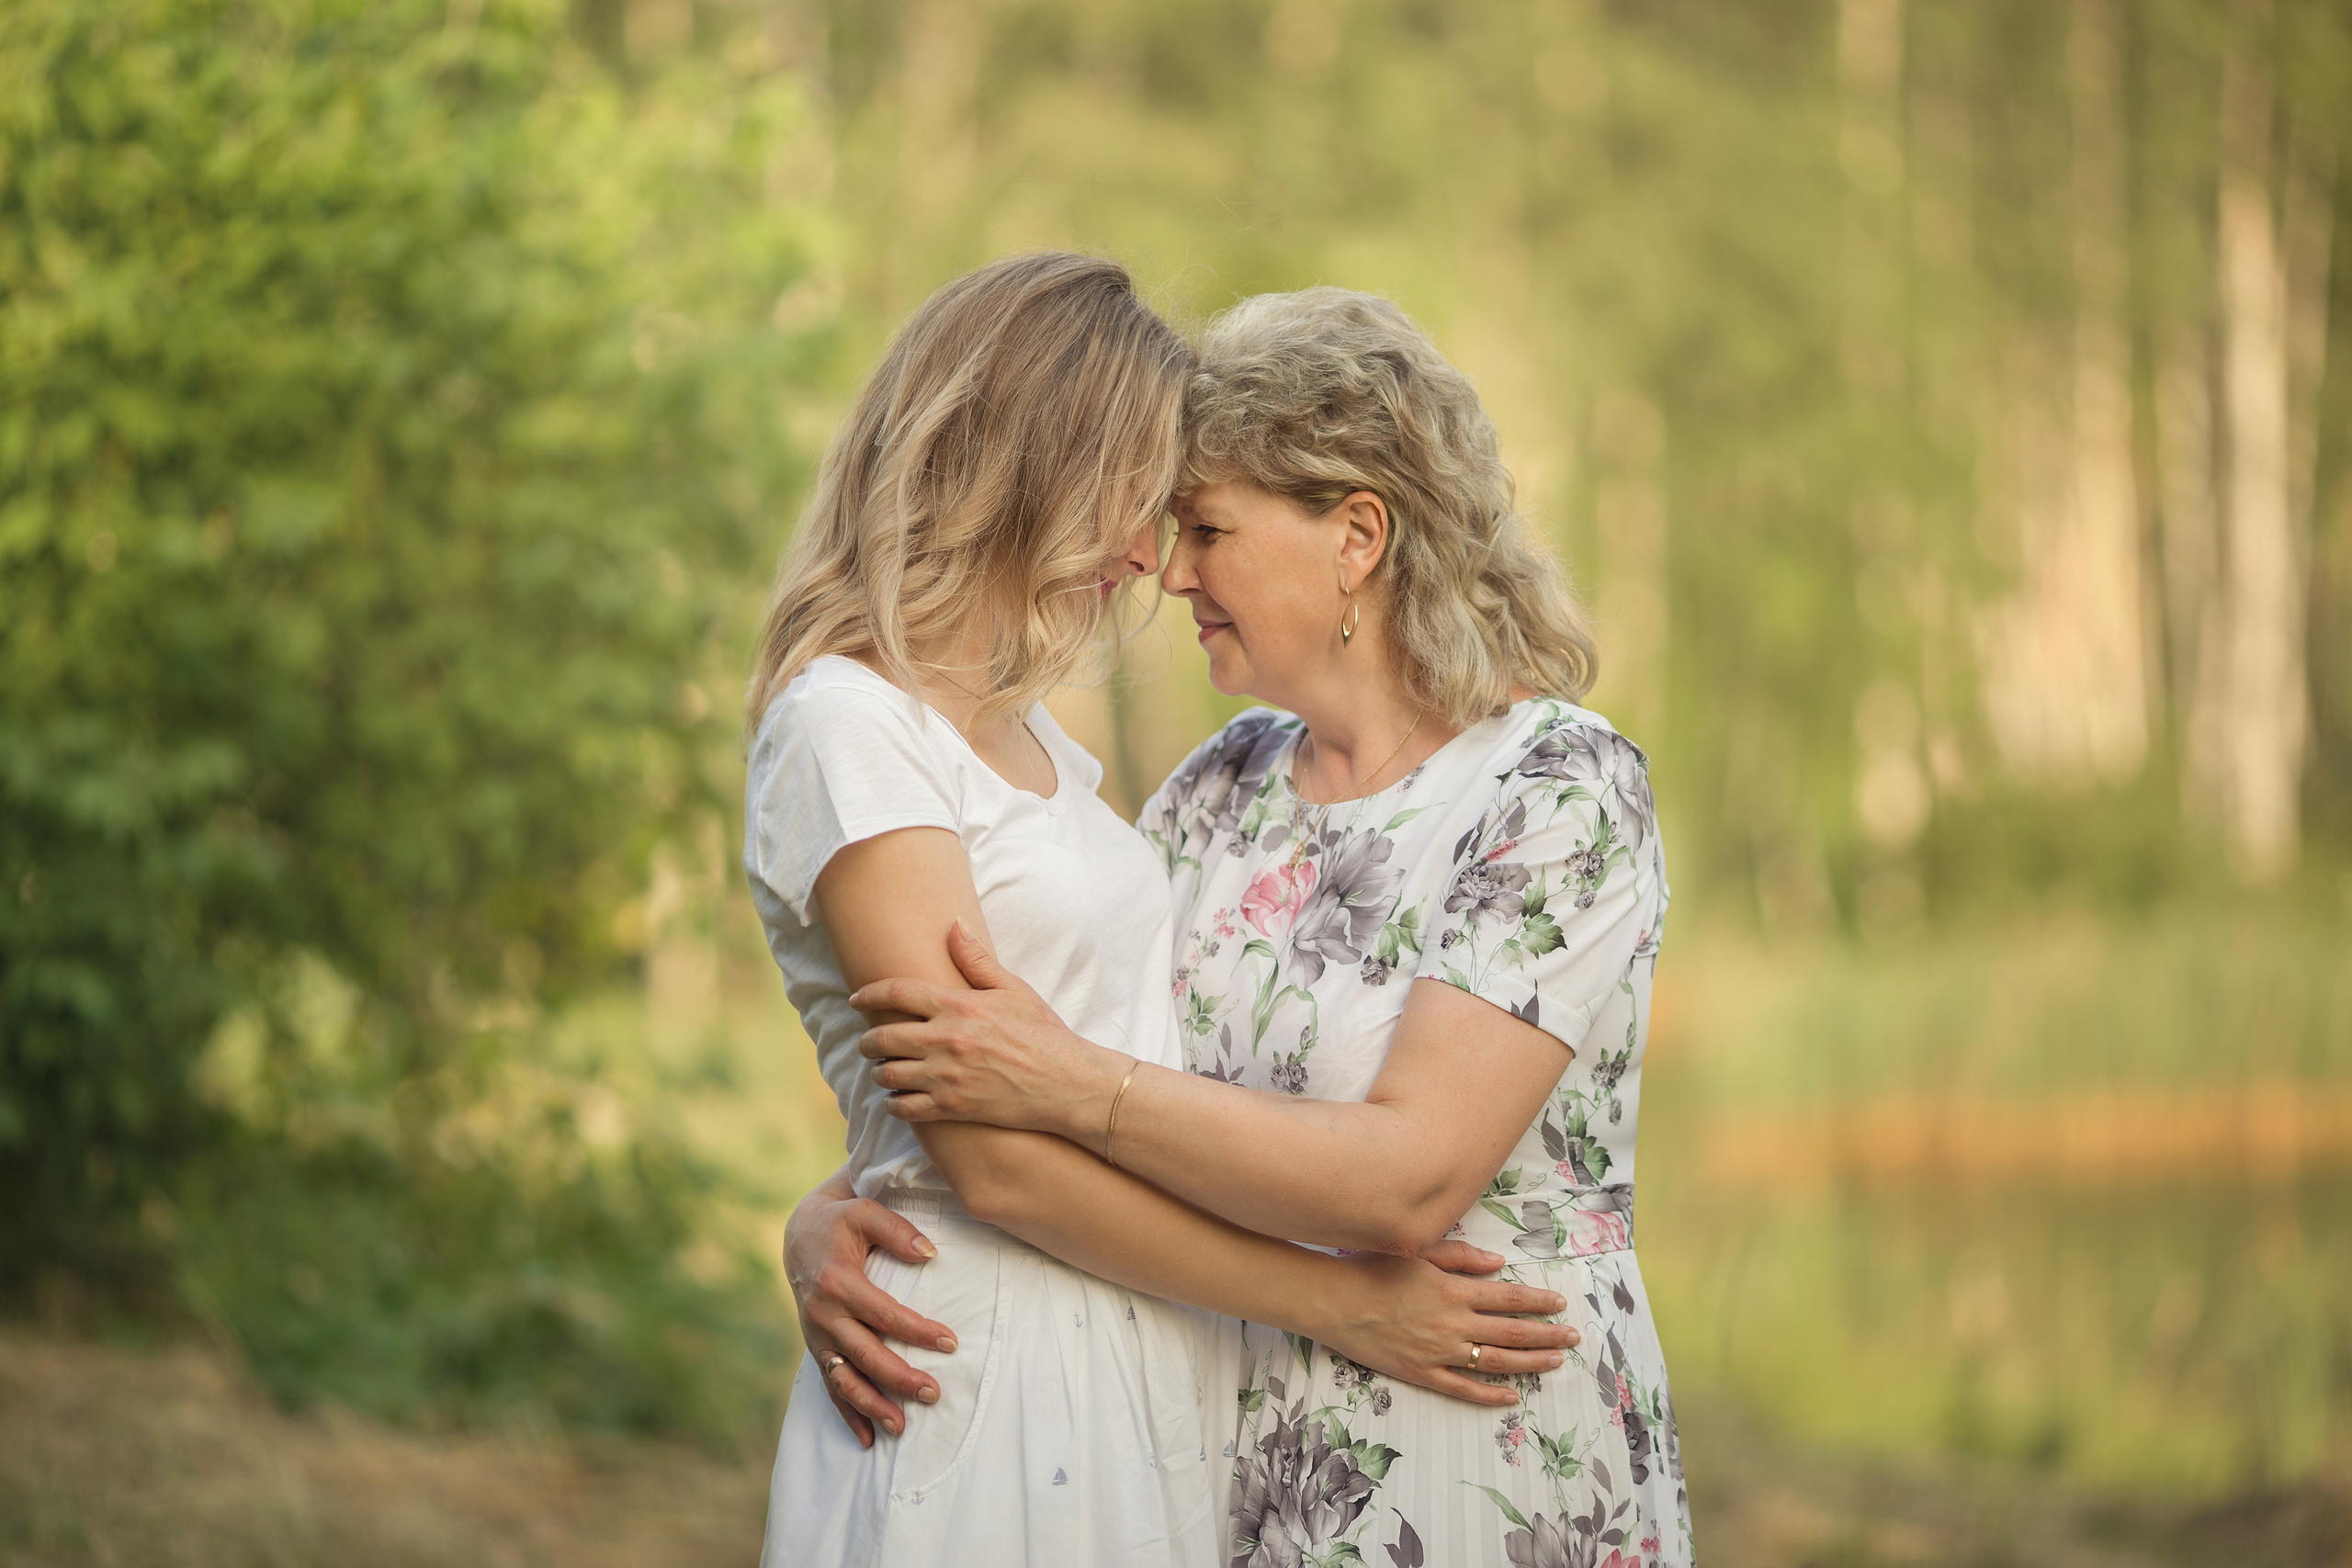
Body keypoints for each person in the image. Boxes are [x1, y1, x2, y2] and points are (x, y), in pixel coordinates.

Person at [808, 288, 1692, 1566]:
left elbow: (1408, 1181)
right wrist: (833, 1214)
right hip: (1228, 1440)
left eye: (1208, 528)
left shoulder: (1557, 790)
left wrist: (1075, 1084)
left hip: (1478, 1435)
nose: (1171, 572)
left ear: (1357, 536)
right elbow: (1023, 1056)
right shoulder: (1220, 790)